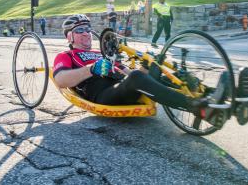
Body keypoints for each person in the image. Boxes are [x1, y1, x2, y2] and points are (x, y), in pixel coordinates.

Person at [53, 14, 229, 128]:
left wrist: (148, 66)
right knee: (136, 77)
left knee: (172, 73)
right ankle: (200, 109)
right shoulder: (66, 55)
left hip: (124, 86)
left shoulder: (101, 53)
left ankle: (216, 95)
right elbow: (61, 80)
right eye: (80, 30)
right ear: (69, 36)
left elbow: (130, 75)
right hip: (103, 95)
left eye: (88, 29)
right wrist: (91, 69)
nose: (86, 33)